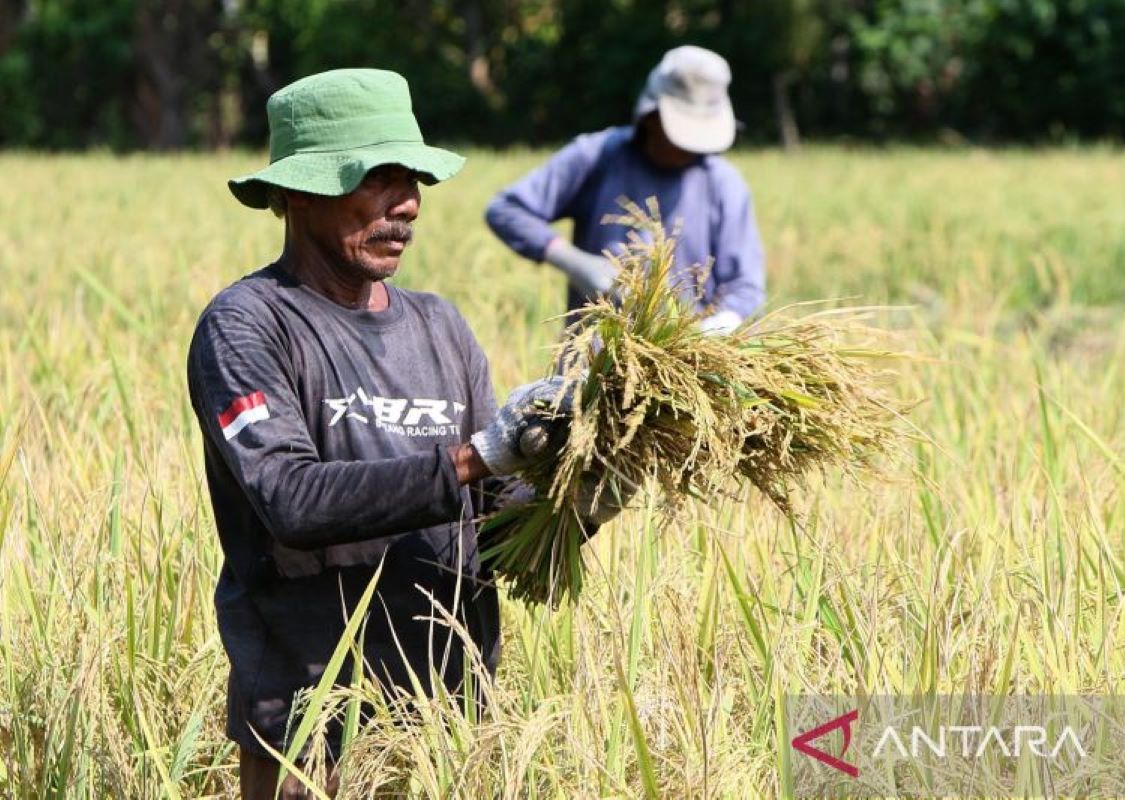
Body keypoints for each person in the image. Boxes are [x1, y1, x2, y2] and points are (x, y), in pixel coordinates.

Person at [187, 68, 610, 799]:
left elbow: (500, 535)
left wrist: (592, 489)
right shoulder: (248, 326)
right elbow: (289, 498)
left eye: (412, 178)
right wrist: (476, 456)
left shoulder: (440, 326)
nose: (407, 204)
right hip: (308, 729)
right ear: (295, 191)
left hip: (448, 730)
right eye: (376, 178)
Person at [485, 45, 766, 334]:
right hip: (594, 362)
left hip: (688, 363)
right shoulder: (598, 157)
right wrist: (573, 261)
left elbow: (746, 287)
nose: (689, 149)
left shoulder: (724, 184)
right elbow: (506, 210)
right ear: (650, 118)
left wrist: (718, 326)